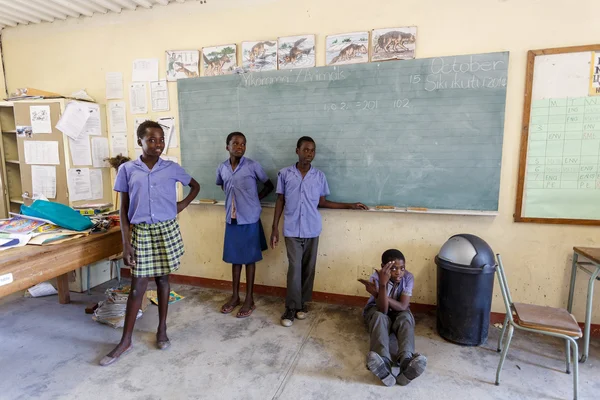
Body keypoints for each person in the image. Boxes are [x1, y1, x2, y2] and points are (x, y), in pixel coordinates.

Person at [100, 120, 200, 366]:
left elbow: (195, 186)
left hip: (166, 229)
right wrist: (126, 243)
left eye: (161, 139)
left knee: (164, 280)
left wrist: (181, 205)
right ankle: (126, 340)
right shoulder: (127, 170)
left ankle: (162, 329)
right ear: (140, 142)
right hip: (141, 232)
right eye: (152, 140)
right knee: (137, 286)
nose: (158, 144)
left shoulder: (171, 168)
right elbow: (123, 209)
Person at [271, 136, 368, 327]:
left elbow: (322, 202)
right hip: (291, 229)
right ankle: (291, 307)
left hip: (312, 229)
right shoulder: (284, 174)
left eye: (312, 150)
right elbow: (280, 200)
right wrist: (274, 227)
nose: (309, 153)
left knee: (308, 269)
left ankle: (302, 305)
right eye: (305, 149)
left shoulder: (319, 177)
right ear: (297, 150)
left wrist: (349, 205)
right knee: (295, 269)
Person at [217, 131, 274, 318]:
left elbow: (269, 185)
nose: (239, 147)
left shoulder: (252, 166)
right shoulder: (223, 168)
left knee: (249, 259)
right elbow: (222, 185)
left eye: (243, 144)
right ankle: (235, 297)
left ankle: (249, 299)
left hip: (249, 218)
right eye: (235, 144)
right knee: (235, 259)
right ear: (227, 147)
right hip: (232, 218)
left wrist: (255, 199)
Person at [358, 249, 427, 386]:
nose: (398, 272)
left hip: (398, 313)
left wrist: (378, 293)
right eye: (393, 268)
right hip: (377, 311)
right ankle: (384, 364)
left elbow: (402, 306)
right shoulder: (376, 278)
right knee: (379, 317)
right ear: (384, 267)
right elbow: (382, 309)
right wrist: (383, 285)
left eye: (402, 268)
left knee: (406, 316)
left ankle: (406, 362)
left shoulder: (408, 278)